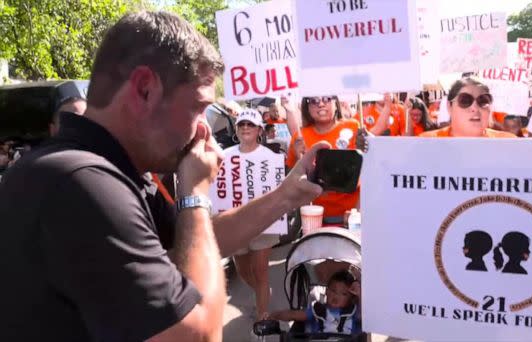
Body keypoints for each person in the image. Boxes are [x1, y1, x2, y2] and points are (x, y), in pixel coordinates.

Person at [0, 11, 326, 342]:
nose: (204, 130)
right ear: (144, 90)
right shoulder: (82, 182)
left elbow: (197, 242)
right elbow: (197, 335)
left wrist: (286, 196)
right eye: (198, 108)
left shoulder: (106, 170)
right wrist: (195, 194)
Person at [228, 108, 280, 321]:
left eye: (250, 124)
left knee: (260, 272)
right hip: (236, 224)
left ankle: (262, 318)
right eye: (242, 124)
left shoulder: (269, 157)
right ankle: (262, 293)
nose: (246, 128)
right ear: (237, 129)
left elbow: (277, 190)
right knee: (242, 272)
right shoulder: (225, 156)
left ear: (259, 130)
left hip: (262, 224)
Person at [286, 95, 360, 226]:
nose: (320, 104)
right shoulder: (299, 137)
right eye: (314, 100)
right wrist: (299, 160)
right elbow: (291, 183)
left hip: (351, 220)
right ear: (307, 107)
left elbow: (370, 173)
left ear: (336, 103)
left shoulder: (354, 128)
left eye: (326, 99)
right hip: (312, 220)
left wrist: (359, 212)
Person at [269, 270, 362, 335]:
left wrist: (359, 293)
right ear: (326, 291)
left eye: (344, 294)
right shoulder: (318, 310)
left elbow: (367, 316)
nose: (336, 296)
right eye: (333, 291)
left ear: (351, 297)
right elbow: (293, 314)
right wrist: (273, 315)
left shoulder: (355, 312)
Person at [419, 78, 516, 138]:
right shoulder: (427, 143)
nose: (475, 108)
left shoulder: (509, 144)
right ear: (449, 107)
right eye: (465, 100)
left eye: (483, 101)